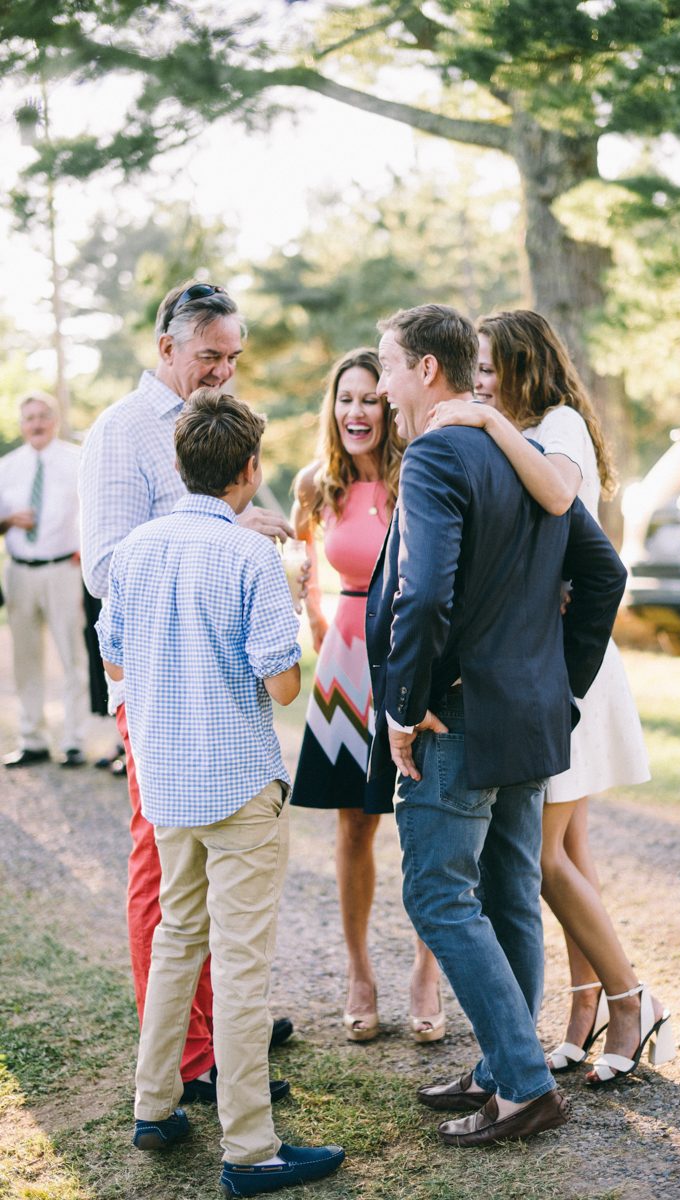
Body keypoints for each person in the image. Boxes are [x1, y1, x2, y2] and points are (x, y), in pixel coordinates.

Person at [367, 304, 632, 1149]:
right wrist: (561, 684)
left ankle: (521, 1084)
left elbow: (429, 595)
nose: (377, 384)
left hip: (463, 720)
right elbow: (605, 572)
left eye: (388, 367)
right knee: (510, 891)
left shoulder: (442, 452)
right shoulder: (524, 456)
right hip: (529, 718)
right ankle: (498, 1063)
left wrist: (405, 705)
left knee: (439, 896)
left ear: (428, 373)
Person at [98, 390, 345, 1195]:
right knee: (239, 965)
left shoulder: (133, 551)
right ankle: (249, 1150)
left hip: (167, 784)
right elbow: (280, 686)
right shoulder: (248, 557)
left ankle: (154, 1105)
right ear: (250, 470)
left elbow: (115, 663)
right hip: (238, 784)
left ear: (178, 464)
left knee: (177, 939)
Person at [426, 308, 674, 1087]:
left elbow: (562, 496)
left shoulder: (556, 425)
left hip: (570, 671)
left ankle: (634, 1004)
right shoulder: (528, 424)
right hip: (550, 666)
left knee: (539, 859)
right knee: (566, 854)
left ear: (527, 365)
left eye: (493, 367)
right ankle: (583, 1009)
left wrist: (485, 421)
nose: (483, 382)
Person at [79, 281, 295, 1108]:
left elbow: (224, 506)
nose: (224, 372)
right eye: (211, 356)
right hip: (164, 695)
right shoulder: (120, 432)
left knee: (200, 875)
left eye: (234, 357)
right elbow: (103, 569)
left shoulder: (209, 426)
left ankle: (217, 1020)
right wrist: (222, 538)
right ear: (165, 346)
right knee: (161, 873)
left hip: (217, 686)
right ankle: (193, 1053)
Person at [290, 349, 442, 1042]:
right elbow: (300, 555)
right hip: (346, 666)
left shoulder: (423, 473)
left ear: (388, 406)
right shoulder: (317, 485)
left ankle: (426, 973)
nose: (356, 412)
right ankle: (359, 972)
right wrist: (318, 618)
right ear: (334, 408)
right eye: (345, 399)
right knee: (354, 824)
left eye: (368, 399)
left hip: (411, 662)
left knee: (427, 822)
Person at [0, 390, 90, 768]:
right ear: (21, 425)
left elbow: (94, 509)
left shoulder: (77, 460)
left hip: (63, 570)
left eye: (42, 416)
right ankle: (33, 739)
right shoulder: (7, 466)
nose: (36, 424)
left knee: (73, 657)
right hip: (20, 571)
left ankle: (74, 741)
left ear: (54, 420)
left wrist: (86, 548)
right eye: (29, 418)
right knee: (25, 660)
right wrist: (8, 521)